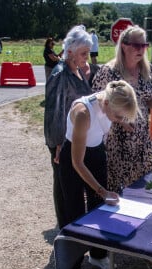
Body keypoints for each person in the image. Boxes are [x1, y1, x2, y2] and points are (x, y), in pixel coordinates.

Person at [59, 81, 138, 269]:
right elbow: (77, 162)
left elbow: (111, 118)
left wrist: (123, 122)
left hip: (95, 152)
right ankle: (72, 268)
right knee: (74, 213)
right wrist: (101, 191)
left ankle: (97, 254)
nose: (120, 120)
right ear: (107, 104)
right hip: (75, 159)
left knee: (100, 210)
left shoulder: (110, 102)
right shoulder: (83, 113)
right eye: (119, 116)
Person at [92, 26, 152, 192]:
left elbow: (149, 96)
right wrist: (121, 121)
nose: (141, 49)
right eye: (137, 45)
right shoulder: (109, 71)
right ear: (124, 46)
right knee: (118, 189)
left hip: (141, 138)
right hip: (116, 140)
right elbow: (98, 104)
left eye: (144, 45)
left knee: (146, 185)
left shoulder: (146, 70)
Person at [44, 25, 93, 228]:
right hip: (63, 141)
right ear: (70, 51)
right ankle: (66, 228)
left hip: (75, 137)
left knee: (74, 184)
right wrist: (59, 144)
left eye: (88, 53)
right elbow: (55, 113)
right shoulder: (60, 75)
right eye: (83, 53)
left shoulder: (78, 71)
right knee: (64, 186)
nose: (86, 57)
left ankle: (74, 224)